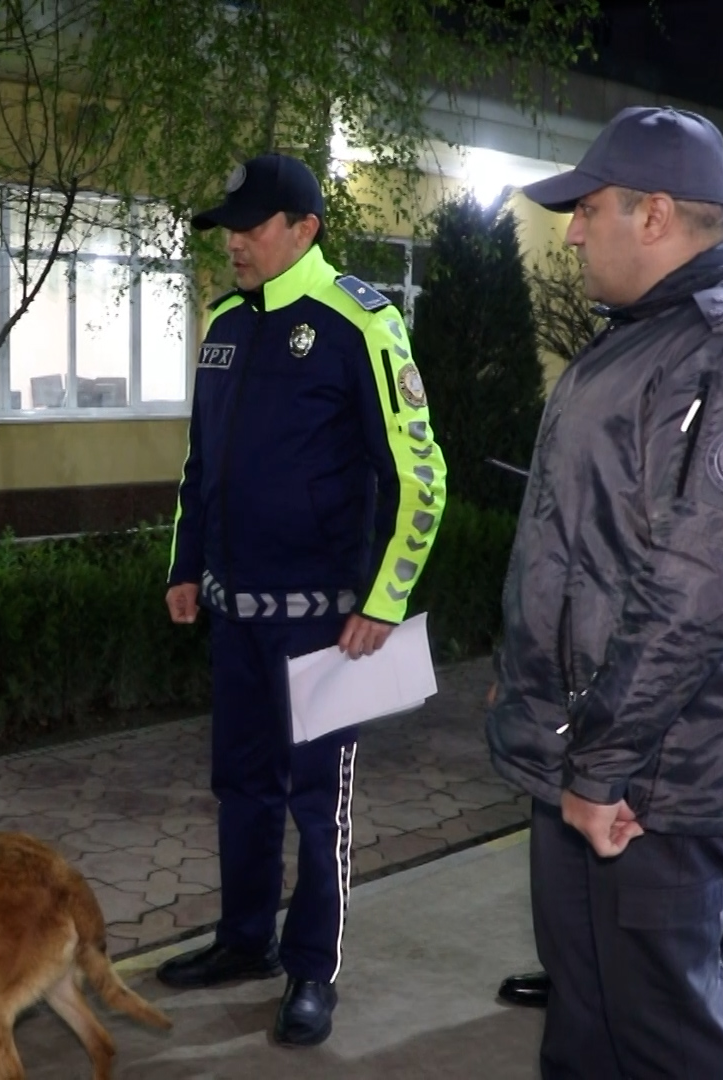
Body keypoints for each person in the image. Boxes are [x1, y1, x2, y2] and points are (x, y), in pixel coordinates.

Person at [486, 106, 723, 1079]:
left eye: (587, 208)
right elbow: (588, 550)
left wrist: (602, 769)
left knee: (658, 1046)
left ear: (651, 214)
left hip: (658, 789)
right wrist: (530, 679)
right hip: (594, 765)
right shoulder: (647, 342)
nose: (571, 232)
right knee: (586, 1033)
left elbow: (696, 594)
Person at [157, 153, 448, 1048]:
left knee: (319, 807)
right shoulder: (224, 324)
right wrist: (184, 565)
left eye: (251, 227)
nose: (234, 244)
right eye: (229, 229)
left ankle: (312, 968)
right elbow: (199, 466)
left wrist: (386, 601)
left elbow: (422, 477)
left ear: (304, 229)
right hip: (235, 619)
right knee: (242, 789)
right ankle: (244, 940)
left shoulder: (361, 322)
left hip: (327, 629)